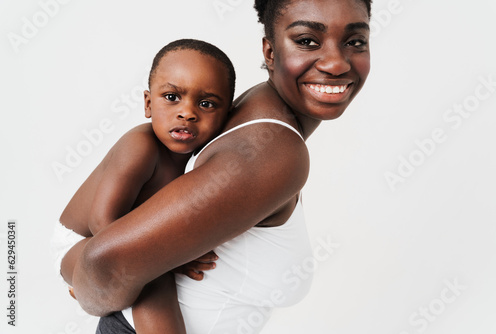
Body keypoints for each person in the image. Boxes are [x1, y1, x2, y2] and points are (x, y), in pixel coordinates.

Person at [67, 0, 372, 332]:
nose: (336, 63)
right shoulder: (270, 151)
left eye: (354, 42)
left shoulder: (261, 108)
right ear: (270, 53)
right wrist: (84, 282)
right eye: (307, 41)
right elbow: (104, 265)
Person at [54, 38, 236, 333]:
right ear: (148, 104)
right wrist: (167, 261)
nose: (187, 112)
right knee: (153, 280)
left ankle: (107, 289)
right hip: (82, 243)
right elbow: (102, 222)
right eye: (172, 97)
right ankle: (89, 286)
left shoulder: (207, 156)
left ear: (226, 116)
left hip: (125, 243)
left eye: (206, 104)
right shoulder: (139, 147)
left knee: (147, 271)